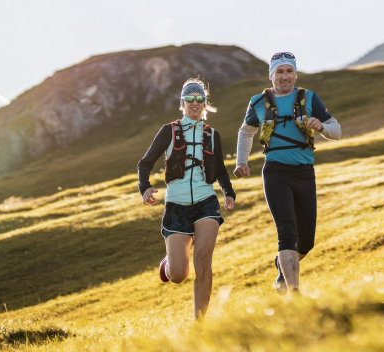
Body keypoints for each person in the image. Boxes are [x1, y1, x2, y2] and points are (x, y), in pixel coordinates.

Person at [233, 52, 342, 294]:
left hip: (304, 172)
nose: (285, 76)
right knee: (286, 230)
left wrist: (321, 126)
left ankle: (281, 267)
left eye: (289, 71)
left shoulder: (309, 98)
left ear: (295, 74)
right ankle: (293, 291)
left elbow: (337, 130)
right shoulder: (259, 102)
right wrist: (242, 161)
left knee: (306, 241)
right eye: (279, 72)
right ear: (271, 75)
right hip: (275, 172)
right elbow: (246, 132)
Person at [136, 78, 236, 320]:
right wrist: (145, 188)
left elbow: (221, 169)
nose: (194, 102)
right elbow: (145, 163)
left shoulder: (213, 135)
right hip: (176, 205)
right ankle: (169, 264)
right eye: (189, 98)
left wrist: (228, 192)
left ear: (205, 103)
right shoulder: (169, 130)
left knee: (203, 263)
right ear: (182, 103)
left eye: (199, 98)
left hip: (206, 203)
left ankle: (200, 326)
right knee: (179, 274)